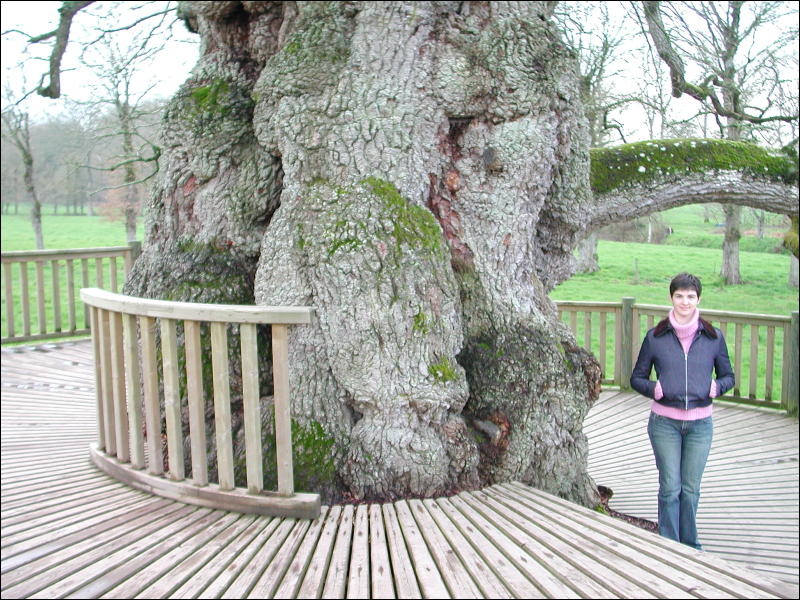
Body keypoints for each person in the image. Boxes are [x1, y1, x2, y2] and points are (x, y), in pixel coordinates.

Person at [630, 273, 734, 550]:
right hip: (664, 424)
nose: (685, 302)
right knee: (670, 488)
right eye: (679, 296)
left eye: (690, 296)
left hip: (700, 426)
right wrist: (655, 389)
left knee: (690, 490)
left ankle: (690, 545)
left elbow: (729, 376)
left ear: (698, 299)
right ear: (671, 298)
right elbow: (637, 378)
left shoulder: (713, 337)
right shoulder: (655, 337)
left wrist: (715, 387)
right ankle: (670, 546)